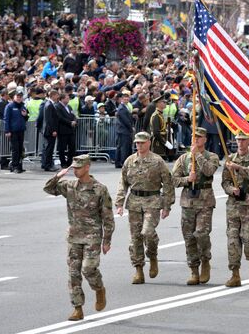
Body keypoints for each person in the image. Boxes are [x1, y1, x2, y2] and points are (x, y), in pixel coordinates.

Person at [43, 155, 115, 321]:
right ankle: (77, 308)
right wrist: (57, 176)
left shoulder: (99, 189)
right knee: (73, 273)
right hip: (74, 236)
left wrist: (107, 241)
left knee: (88, 269)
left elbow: (108, 217)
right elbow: (48, 189)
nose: (75, 170)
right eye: (74, 167)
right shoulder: (70, 186)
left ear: (87, 167)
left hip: (92, 236)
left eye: (79, 167)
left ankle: (99, 289)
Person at [115, 132, 175, 284]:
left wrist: (167, 205)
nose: (139, 145)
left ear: (149, 142)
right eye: (137, 143)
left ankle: (153, 255)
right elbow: (123, 183)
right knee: (135, 238)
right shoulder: (130, 161)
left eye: (142, 142)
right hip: (134, 202)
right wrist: (119, 203)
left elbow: (168, 183)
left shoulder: (157, 161)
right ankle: (138, 270)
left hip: (152, 201)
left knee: (147, 232)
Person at [172, 127, 220, 285]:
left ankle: (205, 260)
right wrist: (187, 179)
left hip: (205, 201)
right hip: (188, 201)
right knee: (189, 237)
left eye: (199, 137)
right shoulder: (184, 159)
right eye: (194, 137)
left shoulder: (211, 156)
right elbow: (173, 179)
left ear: (205, 139)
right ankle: (193, 269)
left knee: (201, 233)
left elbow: (209, 171)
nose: (196, 139)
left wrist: (197, 155)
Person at [221, 132, 249, 287]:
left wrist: (237, 167)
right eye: (238, 140)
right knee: (232, 239)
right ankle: (235, 274)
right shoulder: (230, 159)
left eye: (243, 140)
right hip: (233, 204)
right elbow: (224, 182)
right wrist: (231, 189)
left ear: (248, 141)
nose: (240, 143)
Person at [4, 89, 29, 173]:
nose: (19, 98)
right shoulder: (9, 106)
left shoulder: (23, 106)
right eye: (17, 96)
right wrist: (7, 131)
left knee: (20, 149)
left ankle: (19, 165)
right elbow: (6, 119)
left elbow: (26, 118)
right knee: (15, 149)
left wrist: (25, 115)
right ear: (14, 97)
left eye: (20, 97)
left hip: (21, 130)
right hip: (13, 131)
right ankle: (14, 166)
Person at [55, 93, 78, 168]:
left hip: (71, 130)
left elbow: (73, 115)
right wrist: (70, 122)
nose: (68, 99)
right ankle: (63, 162)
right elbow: (59, 117)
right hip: (63, 130)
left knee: (72, 147)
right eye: (67, 98)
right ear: (62, 99)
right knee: (62, 147)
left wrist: (74, 120)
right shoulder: (57, 107)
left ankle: (69, 161)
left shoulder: (69, 107)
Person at [42, 90, 60, 172]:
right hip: (49, 130)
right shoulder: (49, 105)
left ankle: (47, 164)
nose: (58, 97)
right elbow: (49, 120)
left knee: (49, 148)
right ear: (52, 95)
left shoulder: (49, 104)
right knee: (49, 148)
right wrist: (53, 130)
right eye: (57, 95)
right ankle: (47, 165)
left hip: (49, 130)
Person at [115, 93, 133, 168]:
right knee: (123, 147)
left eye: (127, 98)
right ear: (122, 99)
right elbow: (125, 120)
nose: (126, 100)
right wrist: (131, 128)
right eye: (125, 99)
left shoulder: (124, 107)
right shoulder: (122, 108)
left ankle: (119, 162)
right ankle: (122, 162)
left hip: (122, 130)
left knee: (121, 147)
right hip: (123, 130)